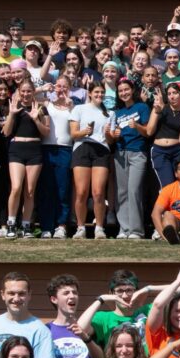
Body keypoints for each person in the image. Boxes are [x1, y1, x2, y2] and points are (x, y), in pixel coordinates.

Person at [0, 81, 50, 238]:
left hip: (34, 151)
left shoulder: (41, 108)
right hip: (16, 150)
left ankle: (26, 225)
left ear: (33, 92)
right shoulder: (13, 107)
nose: (26, 94)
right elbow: (6, 132)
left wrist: (36, 119)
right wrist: (12, 114)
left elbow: (46, 132)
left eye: (29, 91)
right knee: (16, 188)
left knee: (29, 191)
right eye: (23, 91)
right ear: (19, 92)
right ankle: (11, 224)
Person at [109, 77, 151, 240]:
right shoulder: (117, 112)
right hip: (120, 153)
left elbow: (148, 131)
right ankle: (124, 228)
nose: (124, 93)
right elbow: (111, 136)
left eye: (126, 89)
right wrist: (114, 134)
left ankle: (136, 230)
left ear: (132, 90)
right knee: (122, 192)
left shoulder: (142, 107)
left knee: (134, 190)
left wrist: (137, 126)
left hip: (138, 152)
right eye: (120, 91)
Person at [69, 81, 113, 240]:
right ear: (90, 93)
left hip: (102, 151)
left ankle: (99, 228)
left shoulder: (109, 113)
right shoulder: (79, 109)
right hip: (82, 148)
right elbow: (73, 134)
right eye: (96, 92)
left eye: (102, 92)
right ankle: (80, 227)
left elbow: (111, 140)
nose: (99, 95)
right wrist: (84, 132)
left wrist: (109, 134)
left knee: (98, 192)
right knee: (81, 192)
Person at [78, 269, 161, 350]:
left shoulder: (147, 311)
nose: (124, 296)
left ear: (136, 291)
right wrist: (101, 299)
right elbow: (80, 329)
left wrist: (149, 289)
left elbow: (174, 290)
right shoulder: (103, 318)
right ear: (112, 293)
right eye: (120, 291)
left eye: (129, 290)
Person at [37, 74, 75, 239]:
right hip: (47, 149)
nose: (61, 90)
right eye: (58, 86)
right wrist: (42, 88)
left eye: (64, 87)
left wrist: (72, 107)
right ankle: (46, 226)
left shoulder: (74, 107)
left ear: (69, 88)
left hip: (65, 150)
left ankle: (61, 225)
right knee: (46, 189)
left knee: (62, 189)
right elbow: (24, 95)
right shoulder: (46, 104)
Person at [147, 82, 180, 190]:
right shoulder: (161, 108)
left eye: (175, 93)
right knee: (168, 186)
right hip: (160, 152)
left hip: (178, 151)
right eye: (169, 93)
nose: (172, 96)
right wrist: (157, 112)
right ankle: (168, 207)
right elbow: (149, 132)